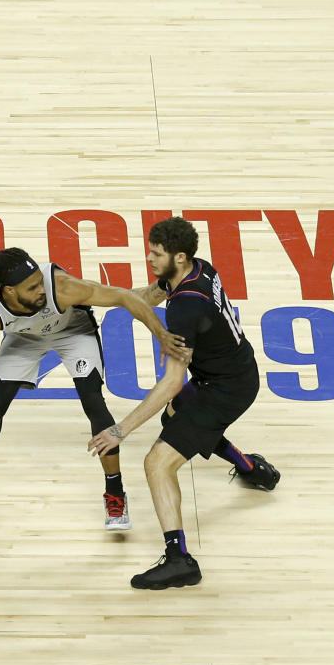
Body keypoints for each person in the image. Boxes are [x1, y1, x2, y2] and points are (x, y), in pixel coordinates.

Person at [0, 246, 190, 529]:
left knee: (94, 402)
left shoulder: (61, 288)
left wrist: (161, 334)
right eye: (32, 287)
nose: (42, 289)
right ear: (9, 291)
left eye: (41, 281)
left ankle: (115, 492)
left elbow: (123, 296)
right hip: (25, 339)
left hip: (73, 331)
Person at [88, 216, 280, 590]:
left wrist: (119, 430)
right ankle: (250, 469)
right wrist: (92, 300)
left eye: (156, 253)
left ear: (177, 256)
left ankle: (179, 561)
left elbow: (172, 381)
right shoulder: (196, 269)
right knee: (174, 418)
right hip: (230, 372)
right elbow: (147, 296)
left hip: (227, 389)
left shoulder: (186, 309)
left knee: (157, 463)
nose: (149, 257)